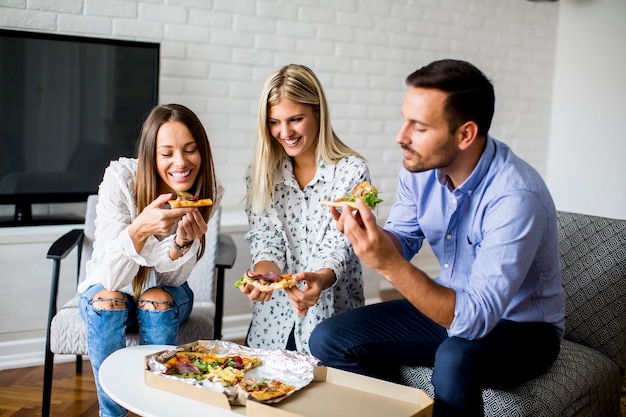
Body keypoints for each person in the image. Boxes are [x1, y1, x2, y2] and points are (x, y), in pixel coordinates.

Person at [308, 59, 565, 417]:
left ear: (465, 135)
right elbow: (402, 237)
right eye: (404, 120)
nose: (401, 136)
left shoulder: (516, 198)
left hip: (523, 329)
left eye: (419, 127)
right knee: (327, 338)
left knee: (455, 357)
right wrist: (369, 234)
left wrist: (388, 263)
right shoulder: (419, 169)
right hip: (452, 303)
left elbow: (474, 321)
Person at [77, 103, 223, 417]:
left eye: (190, 150)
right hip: (108, 289)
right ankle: (111, 414)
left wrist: (182, 243)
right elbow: (112, 278)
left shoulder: (208, 189)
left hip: (167, 294)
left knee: (156, 298)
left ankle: (158, 409)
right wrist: (140, 228)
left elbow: (172, 281)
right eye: (167, 153)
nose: (181, 163)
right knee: (108, 299)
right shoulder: (121, 180)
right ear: (151, 155)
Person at [239, 64, 369, 353]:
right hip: (272, 323)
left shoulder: (351, 172)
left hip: (332, 322)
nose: (285, 132)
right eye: (274, 122)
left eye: (295, 119)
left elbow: (342, 245)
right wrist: (263, 275)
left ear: (317, 113)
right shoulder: (260, 174)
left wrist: (319, 279)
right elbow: (266, 238)